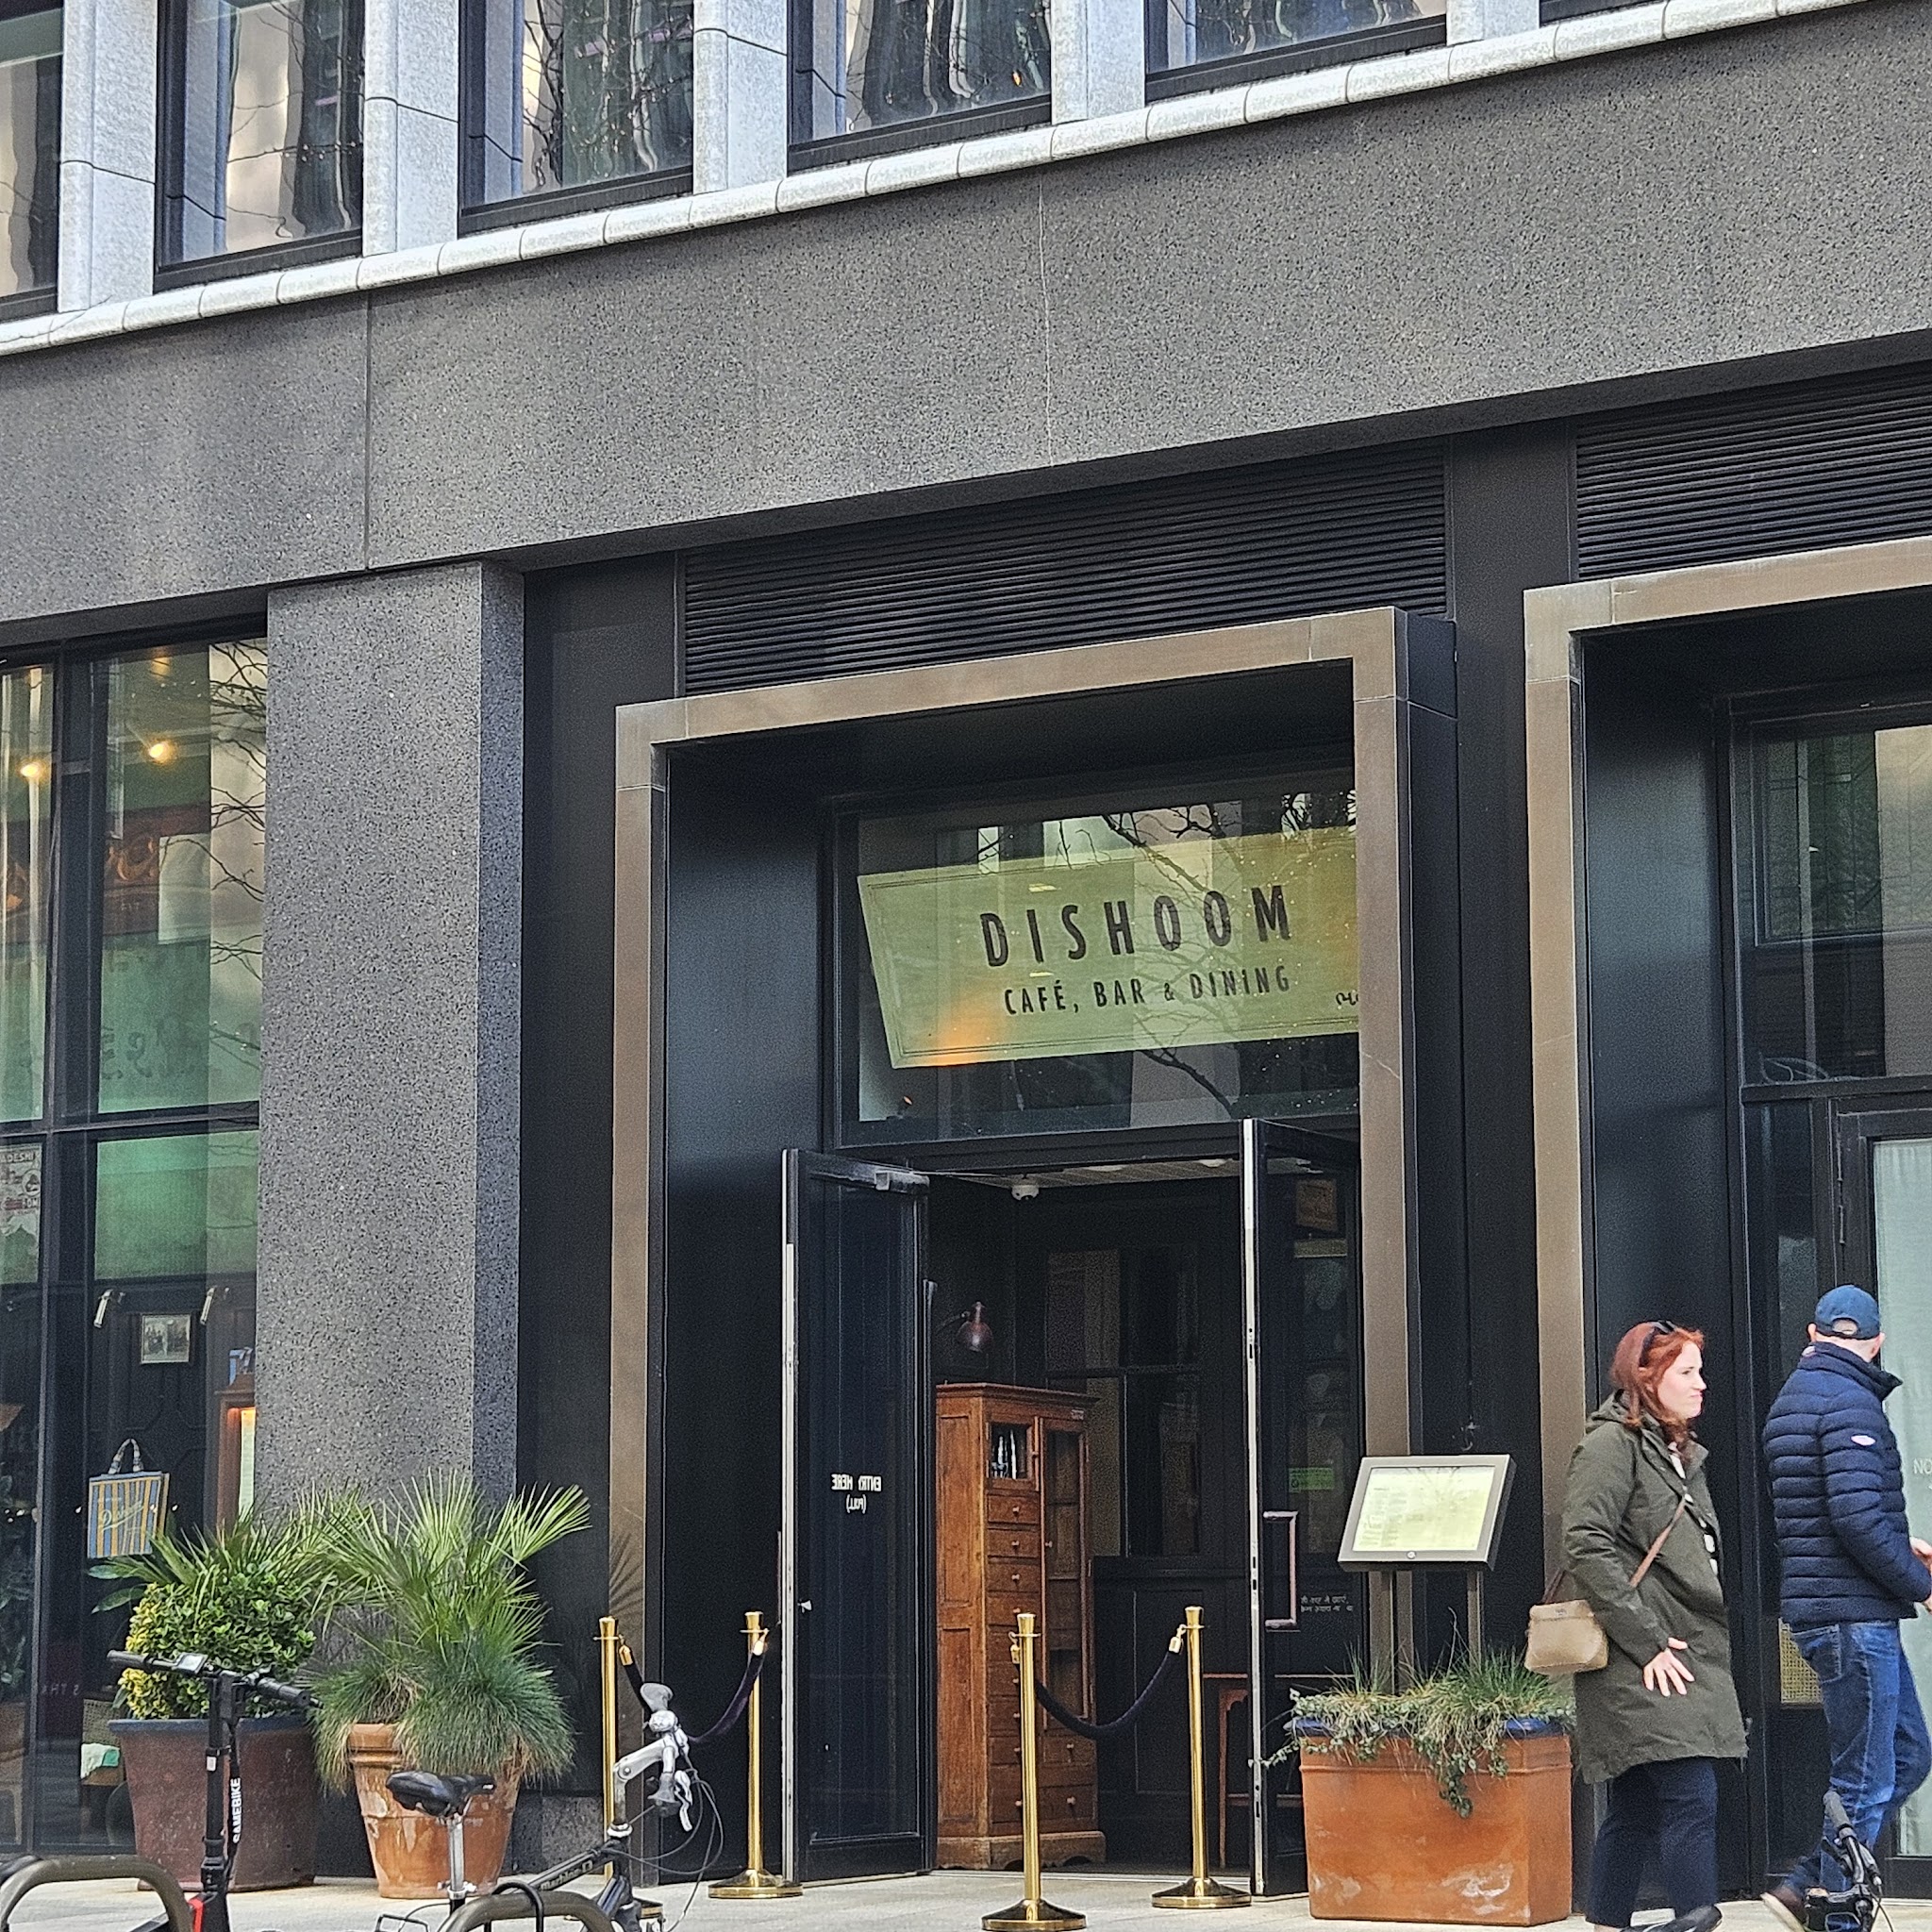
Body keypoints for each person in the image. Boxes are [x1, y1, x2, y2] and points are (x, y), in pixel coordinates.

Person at [1761, 1284, 1932, 1928]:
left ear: (1813, 1335)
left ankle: (1807, 1882)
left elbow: (1825, 1513)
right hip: (1853, 1618)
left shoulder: (1795, 1398)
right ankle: (1840, 1919)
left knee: (1908, 1753)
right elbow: (1855, 1519)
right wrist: (1922, 1585)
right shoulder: (1850, 1401)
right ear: (1877, 1342)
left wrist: (1899, 1544)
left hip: (1832, 1610)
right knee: (1864, 1779)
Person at [1563, 1321, 1743, 1932]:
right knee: (1691, 1793)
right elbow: (1585, 1544)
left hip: (1678, 1648)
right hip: (1644, 1656)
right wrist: (1646, 1644)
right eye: (1686, 1372)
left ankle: (1606, 1923)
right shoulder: (1611, 1445)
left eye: (1699, 1370)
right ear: (1647, 1378)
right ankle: (1696, 1919)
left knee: (1637, 1802)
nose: (1701, 1384)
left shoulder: (1675, 1449)